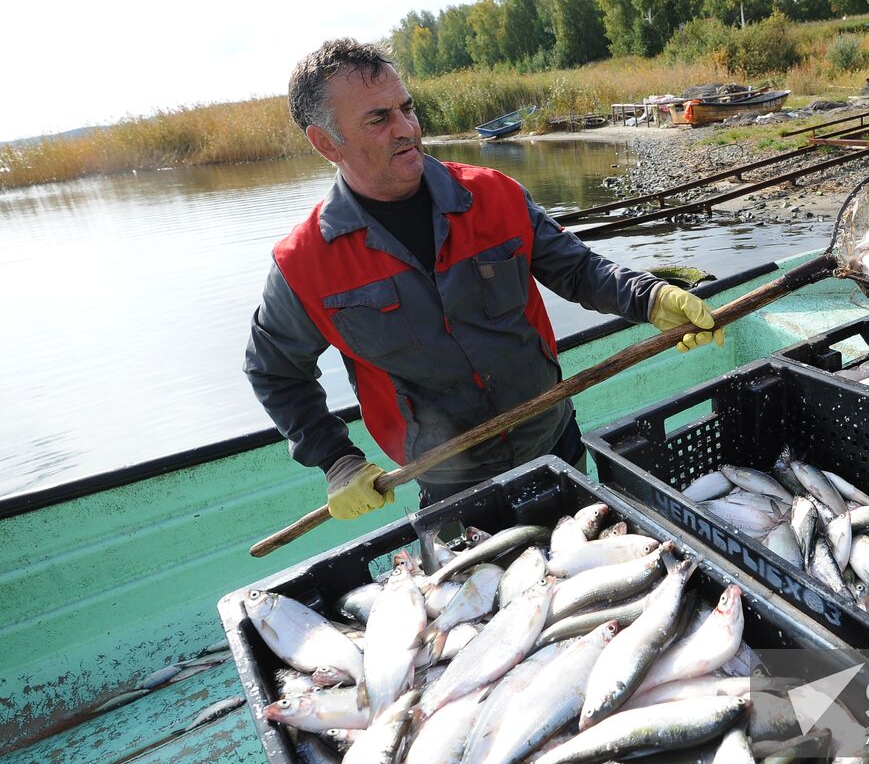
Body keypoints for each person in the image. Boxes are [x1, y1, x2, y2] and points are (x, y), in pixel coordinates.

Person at [245, 39, 723, 518]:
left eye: (407, 109)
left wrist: (652, 298)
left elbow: (577, 268)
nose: (407, 129)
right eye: (378, 118)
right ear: (326, 141)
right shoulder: (304, 263)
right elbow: (274, 371)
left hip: (556, 443)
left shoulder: (494, 195)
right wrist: (337, 461)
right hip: (450, 491)